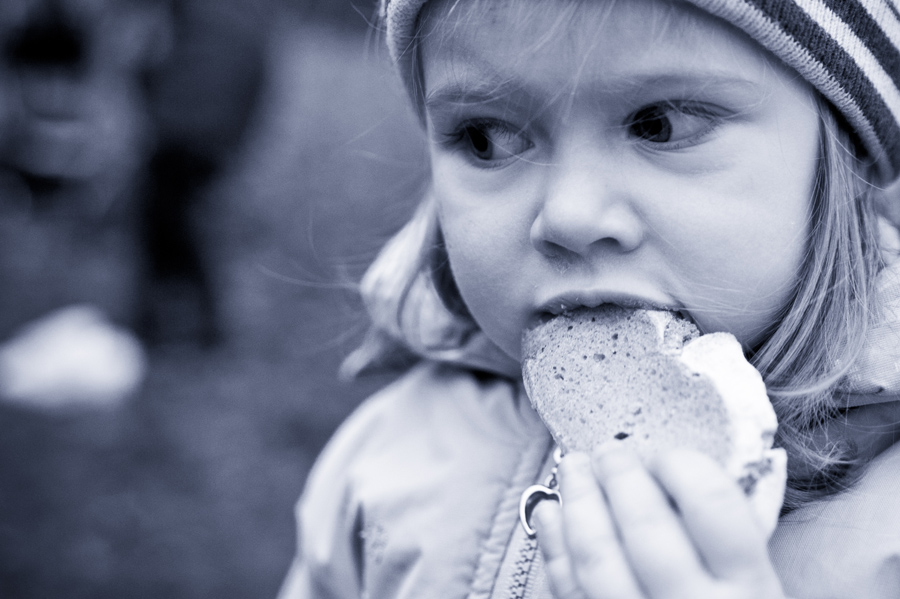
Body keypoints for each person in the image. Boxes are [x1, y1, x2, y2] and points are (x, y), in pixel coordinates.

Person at [278, 0, 900, 597]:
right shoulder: (388, 459)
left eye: (659, 125)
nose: (569, 215)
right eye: (486, 137)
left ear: (849, 161)